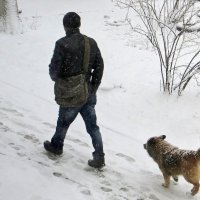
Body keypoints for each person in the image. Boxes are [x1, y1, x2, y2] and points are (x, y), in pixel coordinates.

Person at [44, 12, 105, 168]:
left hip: (71, 93)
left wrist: (59, 78)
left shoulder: (62, 44)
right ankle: (99, 157)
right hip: (88, 92)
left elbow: (54, 72)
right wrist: (93, 87)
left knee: (63, 122)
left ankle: (57, 146)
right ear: (79, 25)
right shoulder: (91, 42)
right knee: (93, 127)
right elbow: (100, 66)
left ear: (65, 26)